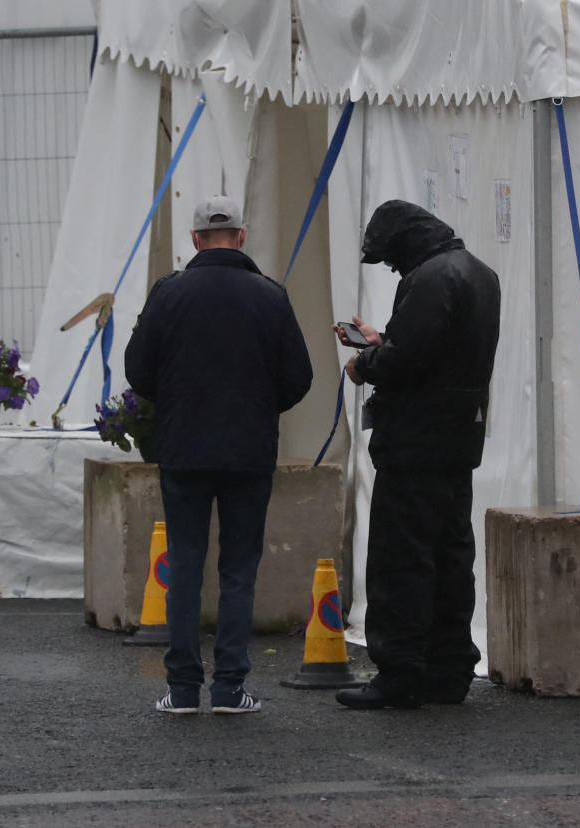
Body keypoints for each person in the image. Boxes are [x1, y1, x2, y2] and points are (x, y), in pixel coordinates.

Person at [124, 195, 313, 715]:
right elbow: (299, 377)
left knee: (183, 567)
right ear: (242, 236)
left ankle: (182, 690)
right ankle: (230, 687)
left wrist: (180, 402)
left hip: (183, 448)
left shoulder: (168, 294)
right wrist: (257, 407)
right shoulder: (270, 297)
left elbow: (138, 371)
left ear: (194, 240)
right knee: (238, 570)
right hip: (248, 453)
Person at [333, 199, 500, 710]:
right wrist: (389, 342)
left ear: (406, 243)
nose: (390, 266)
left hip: (413, 442)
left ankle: (401, 671)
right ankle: (450, 669)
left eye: (389, 257)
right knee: (452, 557)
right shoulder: (480, 273)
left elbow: (407, 360)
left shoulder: (429, 278)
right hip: (459, 438)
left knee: (401, 559)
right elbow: (440, 350)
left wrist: (367, 361)